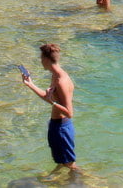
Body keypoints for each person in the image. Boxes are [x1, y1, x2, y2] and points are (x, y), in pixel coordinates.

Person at [21, 43, 77, 173]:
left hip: (61, 128)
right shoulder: (56, 75)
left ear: (46, 59)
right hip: (56, 126)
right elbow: (49, 98)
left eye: (41, 58)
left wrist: (53, 102)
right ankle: (56, 175)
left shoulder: (61, 81)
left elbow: (69, 113)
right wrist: (30, 84)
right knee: (61, 160)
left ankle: (82, 181)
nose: (41, 62)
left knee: (70, 164)